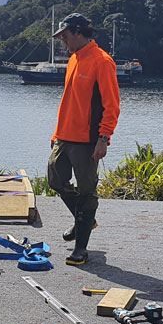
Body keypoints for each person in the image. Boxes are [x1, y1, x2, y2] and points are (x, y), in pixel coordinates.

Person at [47, 13, 121, 266]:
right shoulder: (74, 59)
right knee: (55, 179)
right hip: (64, 136)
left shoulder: (102, 62)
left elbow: (112, 105)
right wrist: (56, 133)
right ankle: (84, 220)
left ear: (78, 32)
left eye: (65, 37)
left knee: (87, 192)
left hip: (88, 140)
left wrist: (104, 138)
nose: (63, 43)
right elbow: (68, 101)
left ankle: (81, 248)